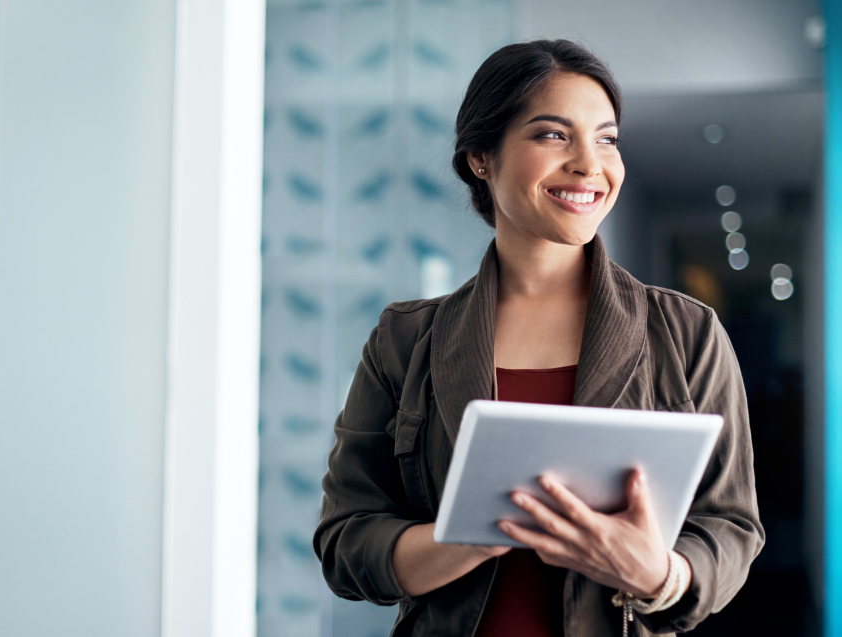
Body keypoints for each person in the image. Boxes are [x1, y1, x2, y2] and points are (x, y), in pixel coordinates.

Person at [313, 39, 764, 637]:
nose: (588, 164)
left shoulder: (686, 334)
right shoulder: (404, 338)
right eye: (553, 135)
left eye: (606, 138)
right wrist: (471, 536)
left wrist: (661, 575)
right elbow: (346, 540)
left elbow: (731, 526)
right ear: (481, 156)